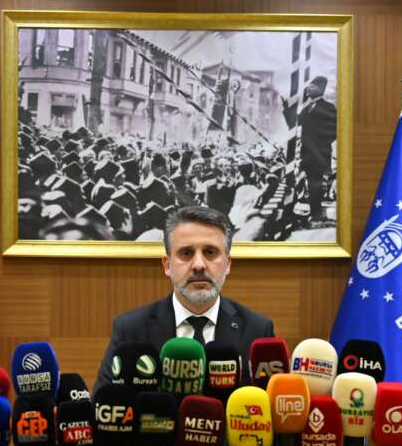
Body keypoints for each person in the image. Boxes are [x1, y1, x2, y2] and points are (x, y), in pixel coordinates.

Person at [94, 205, 275, 390]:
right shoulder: (131, 330)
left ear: (227, 264)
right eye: (186, 253)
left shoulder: (258, 331)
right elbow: (104, 401)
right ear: (167, 265)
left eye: (210, 252)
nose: (199, 265)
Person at [283, 75, 337, 223]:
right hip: (306, 153)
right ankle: (312, 212)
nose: (307, 89)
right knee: (307, 182)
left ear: (320, 89)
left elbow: (335, 130)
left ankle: (316, 213)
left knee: (315, 183)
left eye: (311, 86)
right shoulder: (306, 108)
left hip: (319, 154)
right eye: (308, 86)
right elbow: (293, 124)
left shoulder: (329, 108)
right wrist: (287, 109)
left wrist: (320, 143)